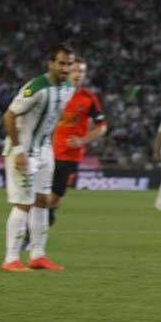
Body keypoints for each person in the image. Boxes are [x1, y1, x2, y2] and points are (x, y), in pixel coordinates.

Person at [2, 43, 76, 272]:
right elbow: (9, 116)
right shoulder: (36, 87)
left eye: (69, 64)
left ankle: (37, 255)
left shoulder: (68, 89)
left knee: (42, 200)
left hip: (45, 151)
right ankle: (11, 258)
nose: (65, 68)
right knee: (24, 202)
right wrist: (18, 150)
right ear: (51, 64)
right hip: (23, 151)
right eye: (61, 63)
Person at [50, 57, 107, 225]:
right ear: (67, 71)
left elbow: (102, 127)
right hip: (48, 153)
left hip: (70, 157)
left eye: (81, 71)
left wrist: (82, 140)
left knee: (56, 196)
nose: (78, 74)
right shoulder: (54, 93)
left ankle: (48, 213)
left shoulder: (89, 98)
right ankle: (32, 230)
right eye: (74, 70)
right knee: (41, 195)